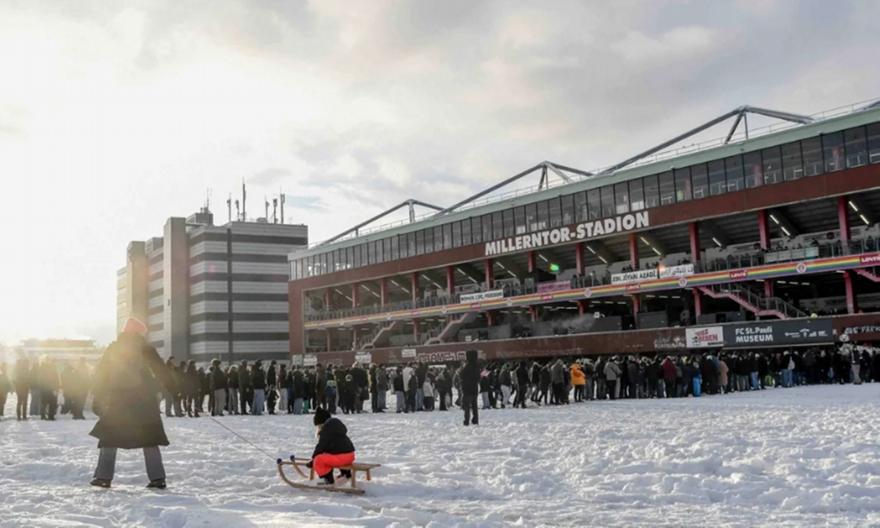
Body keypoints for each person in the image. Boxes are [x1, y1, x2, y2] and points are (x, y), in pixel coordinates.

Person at [89, 318, 170, 489]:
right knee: (150, 437)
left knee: (109, 437)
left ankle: (104, 477)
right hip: (144, 399)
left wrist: (97, 397)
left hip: (118, 400)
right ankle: (157, 478)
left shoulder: (113, 348)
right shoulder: (146, 349)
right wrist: (172, 389)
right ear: (140, 333)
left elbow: (102, 374)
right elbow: (162, 371)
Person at [309, 408, 356, 486]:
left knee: (319, 460)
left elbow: (320, 447)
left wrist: (313, 460)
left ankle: (327, 479)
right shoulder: (336, 426)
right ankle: (346, 474)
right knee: (331, 454)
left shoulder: (326, 430)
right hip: (350, 456)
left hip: (342, 458)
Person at [460, 350, 480, 426]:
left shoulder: (466, 366)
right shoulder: (477, 366)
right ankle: (475, 420)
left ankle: (466, 421)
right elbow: (478, 378)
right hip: (474, 388)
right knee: (475, 406)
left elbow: (461, 375)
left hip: (467, 389)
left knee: (467, 406)